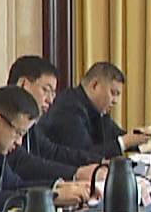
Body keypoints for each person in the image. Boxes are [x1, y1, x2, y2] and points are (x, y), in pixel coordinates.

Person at [6, 56, 108, 187]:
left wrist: (100, 161)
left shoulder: (32, 127)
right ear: (23, 84)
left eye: (53, 93)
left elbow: (54, 152)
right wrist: (76, 174)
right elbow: (23, 163)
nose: (50, 100)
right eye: (45, 90)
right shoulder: (4, 120)